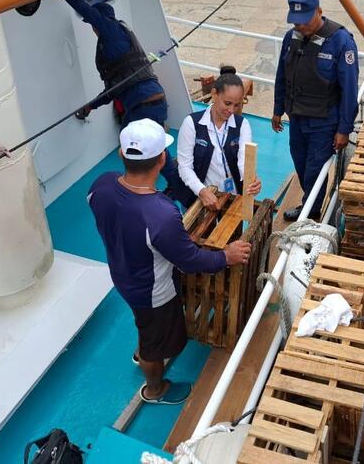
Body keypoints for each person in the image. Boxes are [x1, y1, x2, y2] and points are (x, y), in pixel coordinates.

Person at [88, 119, 252, 404]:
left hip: (122, 274)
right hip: (153, 291)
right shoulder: (160, 214)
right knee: (155, 341)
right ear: (163, 158)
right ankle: (155, 388)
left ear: (121, 154)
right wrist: (227, 255)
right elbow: (189, 260)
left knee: (144, 323)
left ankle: (143, 350)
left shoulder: (100, 186)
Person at [59, 0, 187, 201]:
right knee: (149, 148)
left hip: (143, 105)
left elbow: (82, 7)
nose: (92, 27)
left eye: (93, 23)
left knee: (148, 152)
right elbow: (117, 85)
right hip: (149, 102)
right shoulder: (121, 35)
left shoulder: (109, 30)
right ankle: (177, 186)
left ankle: (179, 190)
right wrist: (91, 106)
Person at [272, 0, 359, 222]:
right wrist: (278, 108)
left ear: (319, 11)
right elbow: (283, 74)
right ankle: (310, 202)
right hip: (297, 118)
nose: (301, 26)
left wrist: (344, 129)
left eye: (305, 21)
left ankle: (310, 210)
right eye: (296, 22)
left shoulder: (341, 42)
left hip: (324, 121)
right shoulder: (291, 38)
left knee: (314, 169)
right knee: (300, 163)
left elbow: (350, 89)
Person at [177, 66, 262, 210]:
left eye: (237, 105)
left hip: (233, 196)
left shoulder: (243, 125)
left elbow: (243, 161)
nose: (231, 111)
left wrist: (251, 179)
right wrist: (202, 191)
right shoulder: (191, 123)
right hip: (201, 197)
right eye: (227, 103)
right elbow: (185, 167)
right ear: (214, 94)